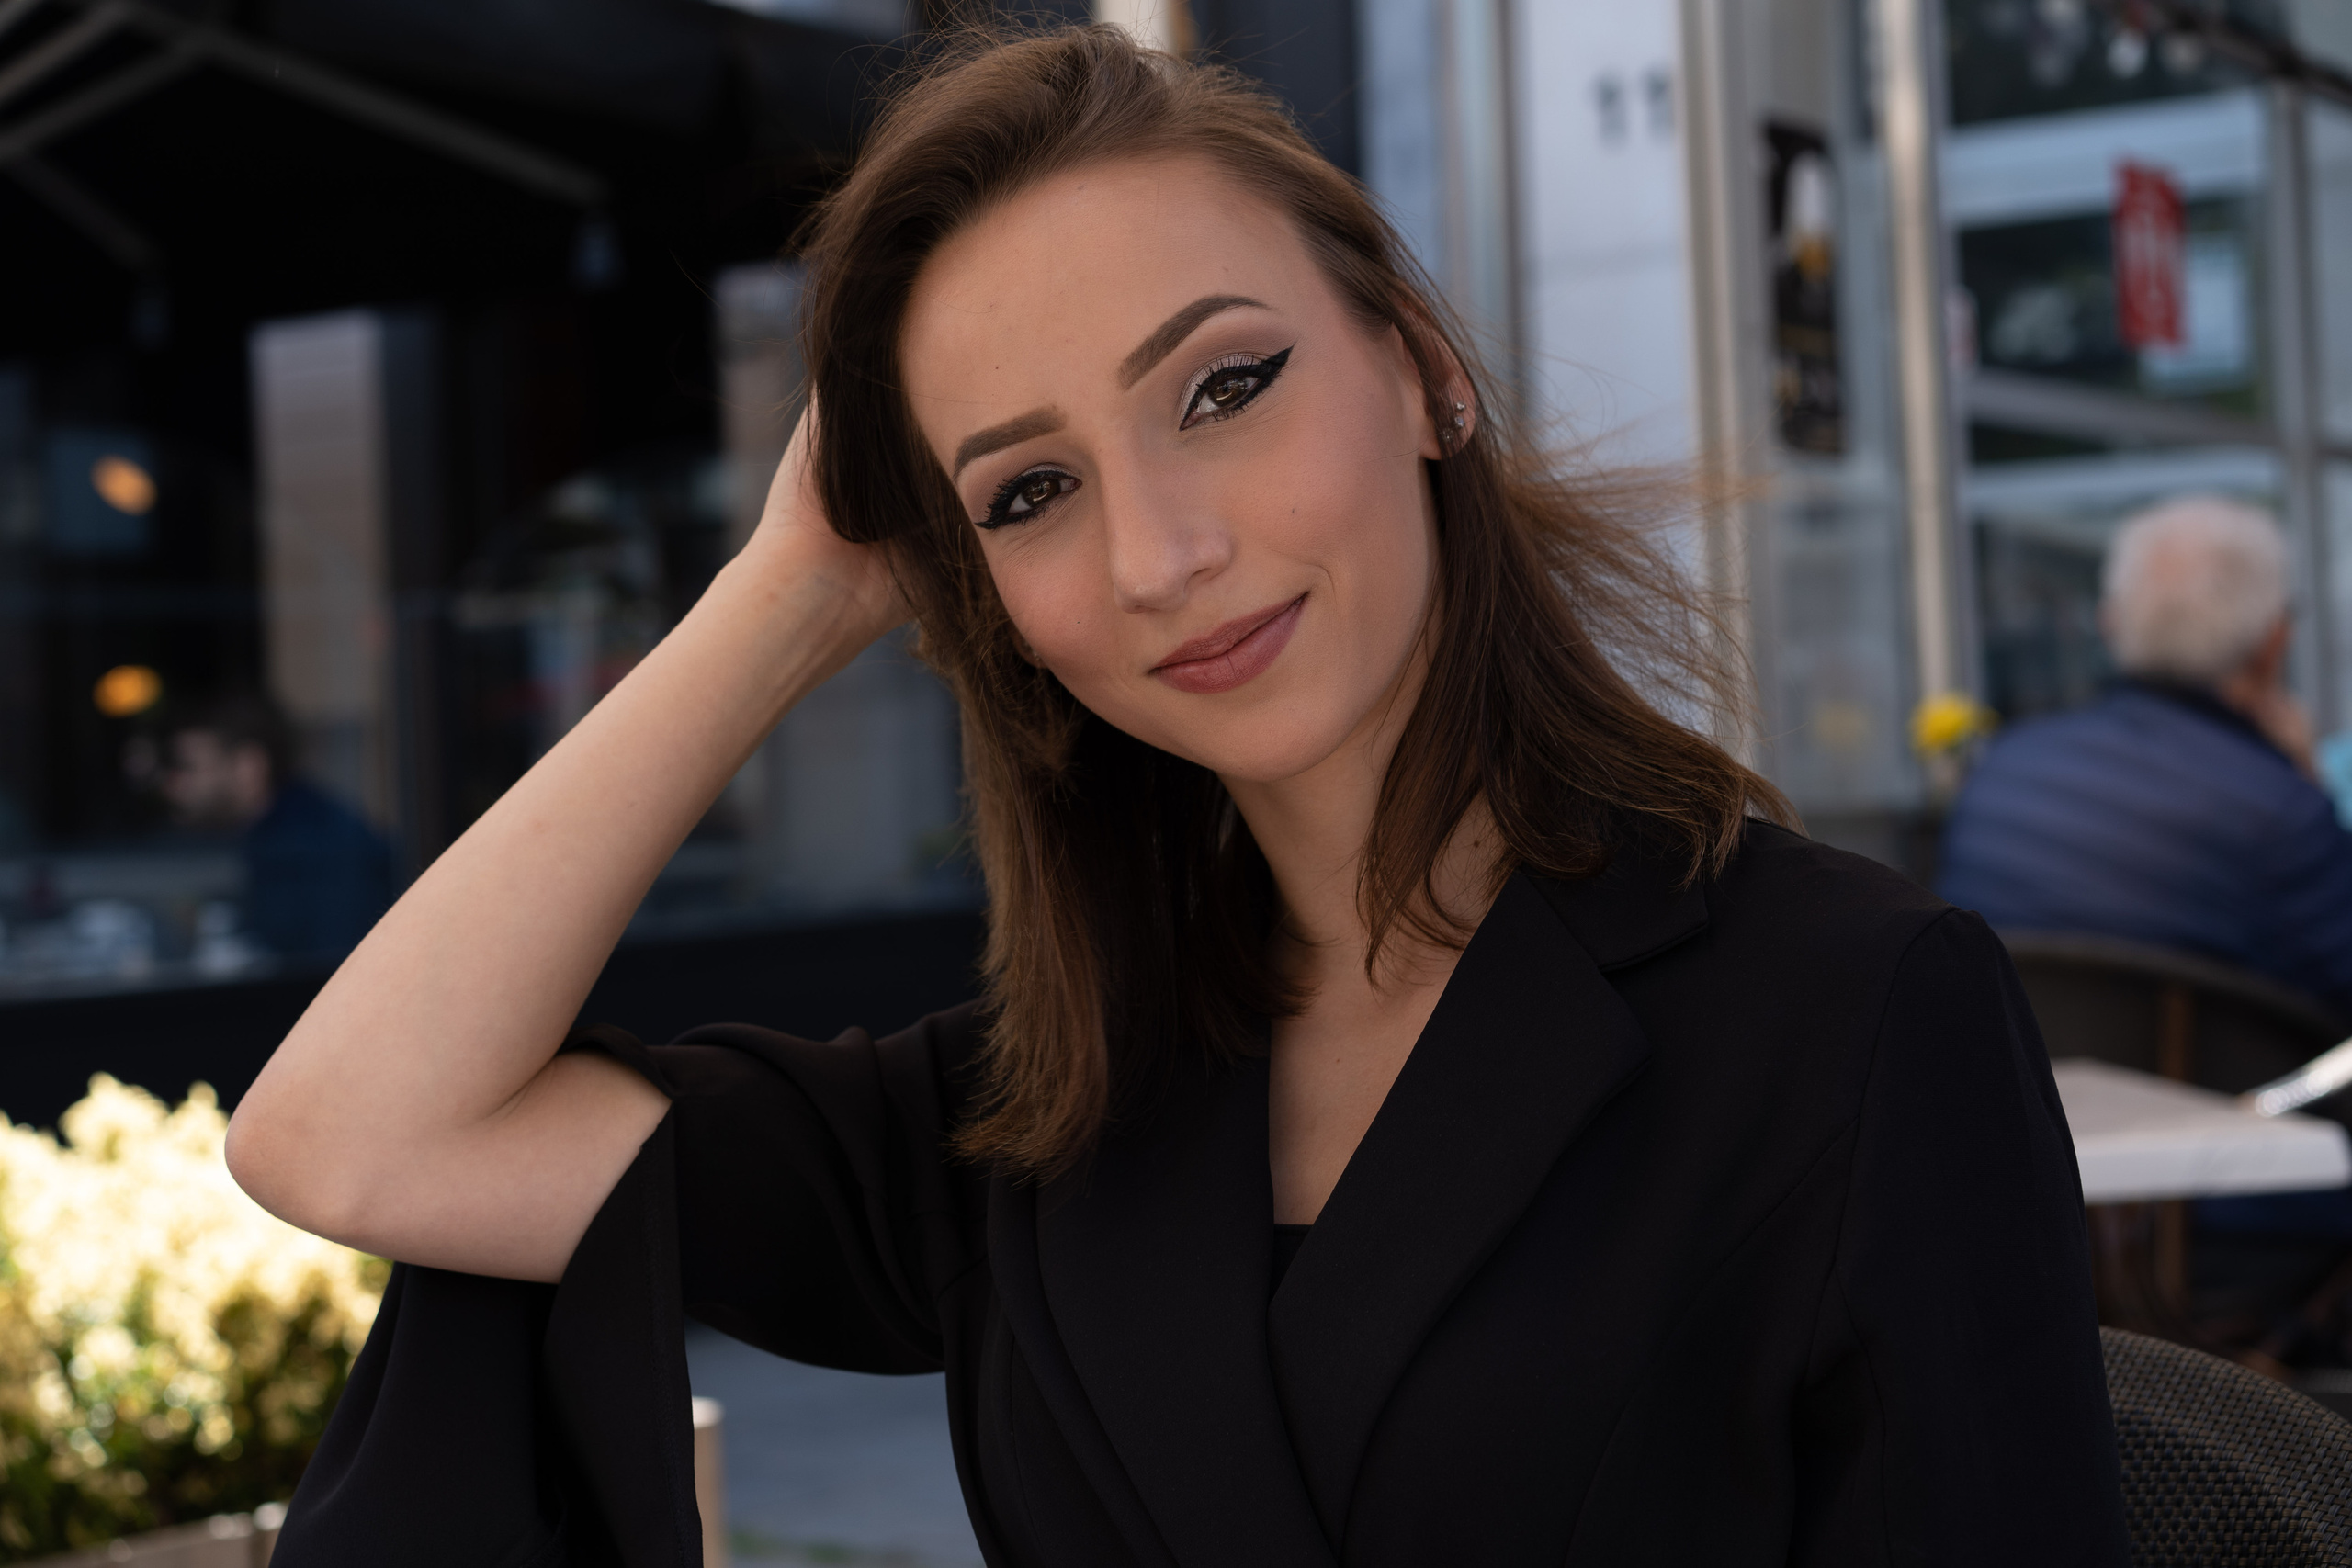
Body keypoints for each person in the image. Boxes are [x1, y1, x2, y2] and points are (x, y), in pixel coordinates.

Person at [227, 26, 2126, 1566]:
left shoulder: (1848, 1010)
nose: (1158, 553)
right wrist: (784, 590)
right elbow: (351, 1137)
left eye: (1220, 387)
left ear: (1421, 373)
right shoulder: (1036, 1113)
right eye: (1026, 492)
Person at [1939, 496, 2352, 1017]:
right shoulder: (2278, 816)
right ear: (2273, 643)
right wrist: (2304, 780)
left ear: (2110, 623)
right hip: (2219, 1098)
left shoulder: (2001, 770)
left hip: (2009, 1088)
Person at [157, 694, 393, 964]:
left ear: (248, 766)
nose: (173, 785)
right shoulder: (271, 838)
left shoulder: (315, 846)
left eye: (189, 768)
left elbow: (331, 970)